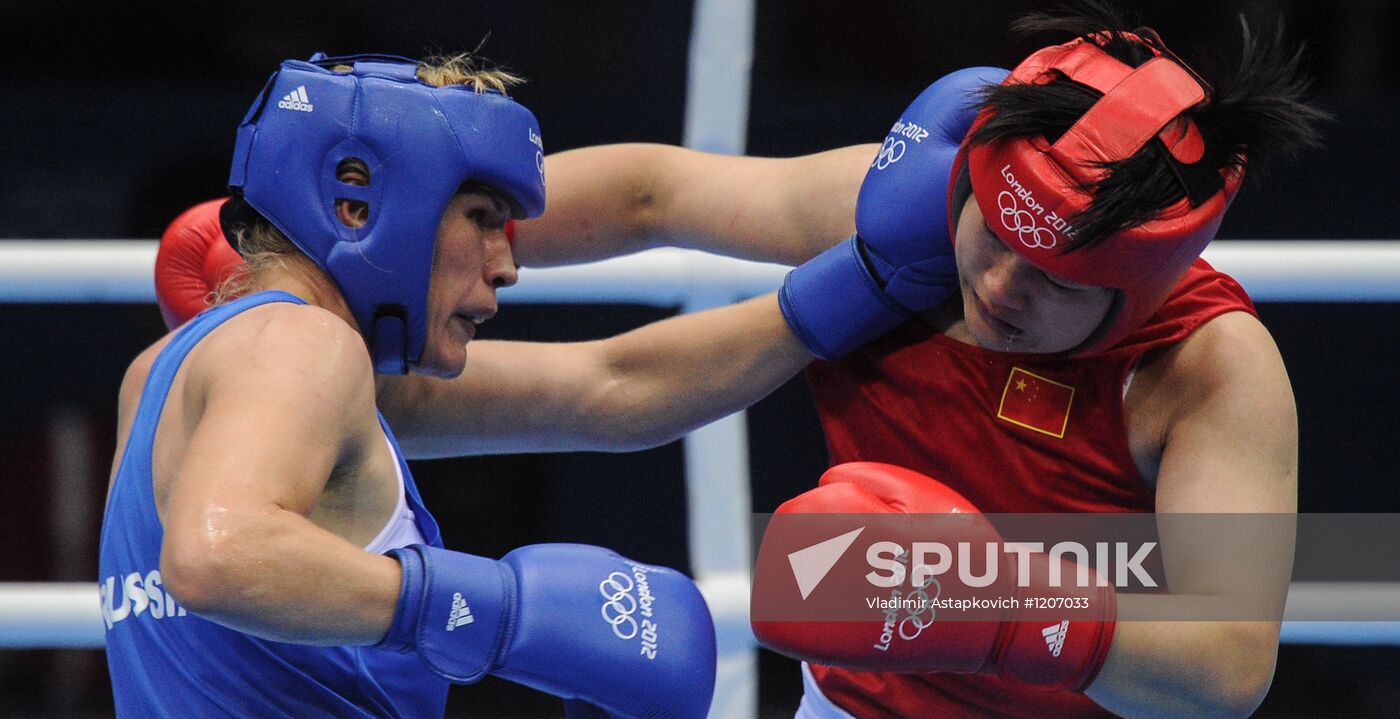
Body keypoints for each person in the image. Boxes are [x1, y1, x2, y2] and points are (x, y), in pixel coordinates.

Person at [150, 2, 1325, 715]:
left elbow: (1225, 663)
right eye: (992, 232)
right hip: (849, 703)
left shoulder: (1209, 373)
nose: (1001, 284)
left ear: (1145, 279)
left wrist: (994, 599)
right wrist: (316, 242)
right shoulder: (909, 205)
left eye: (1060, 277)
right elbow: (653, 195)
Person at [103, 53, 737, 718]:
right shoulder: (306, 343)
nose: (507, 263)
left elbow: (610, 383)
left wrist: (830, 300)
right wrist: (487, 612)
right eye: (483, 218)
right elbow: (217, 554)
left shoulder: (154, 373)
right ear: (355, 202)